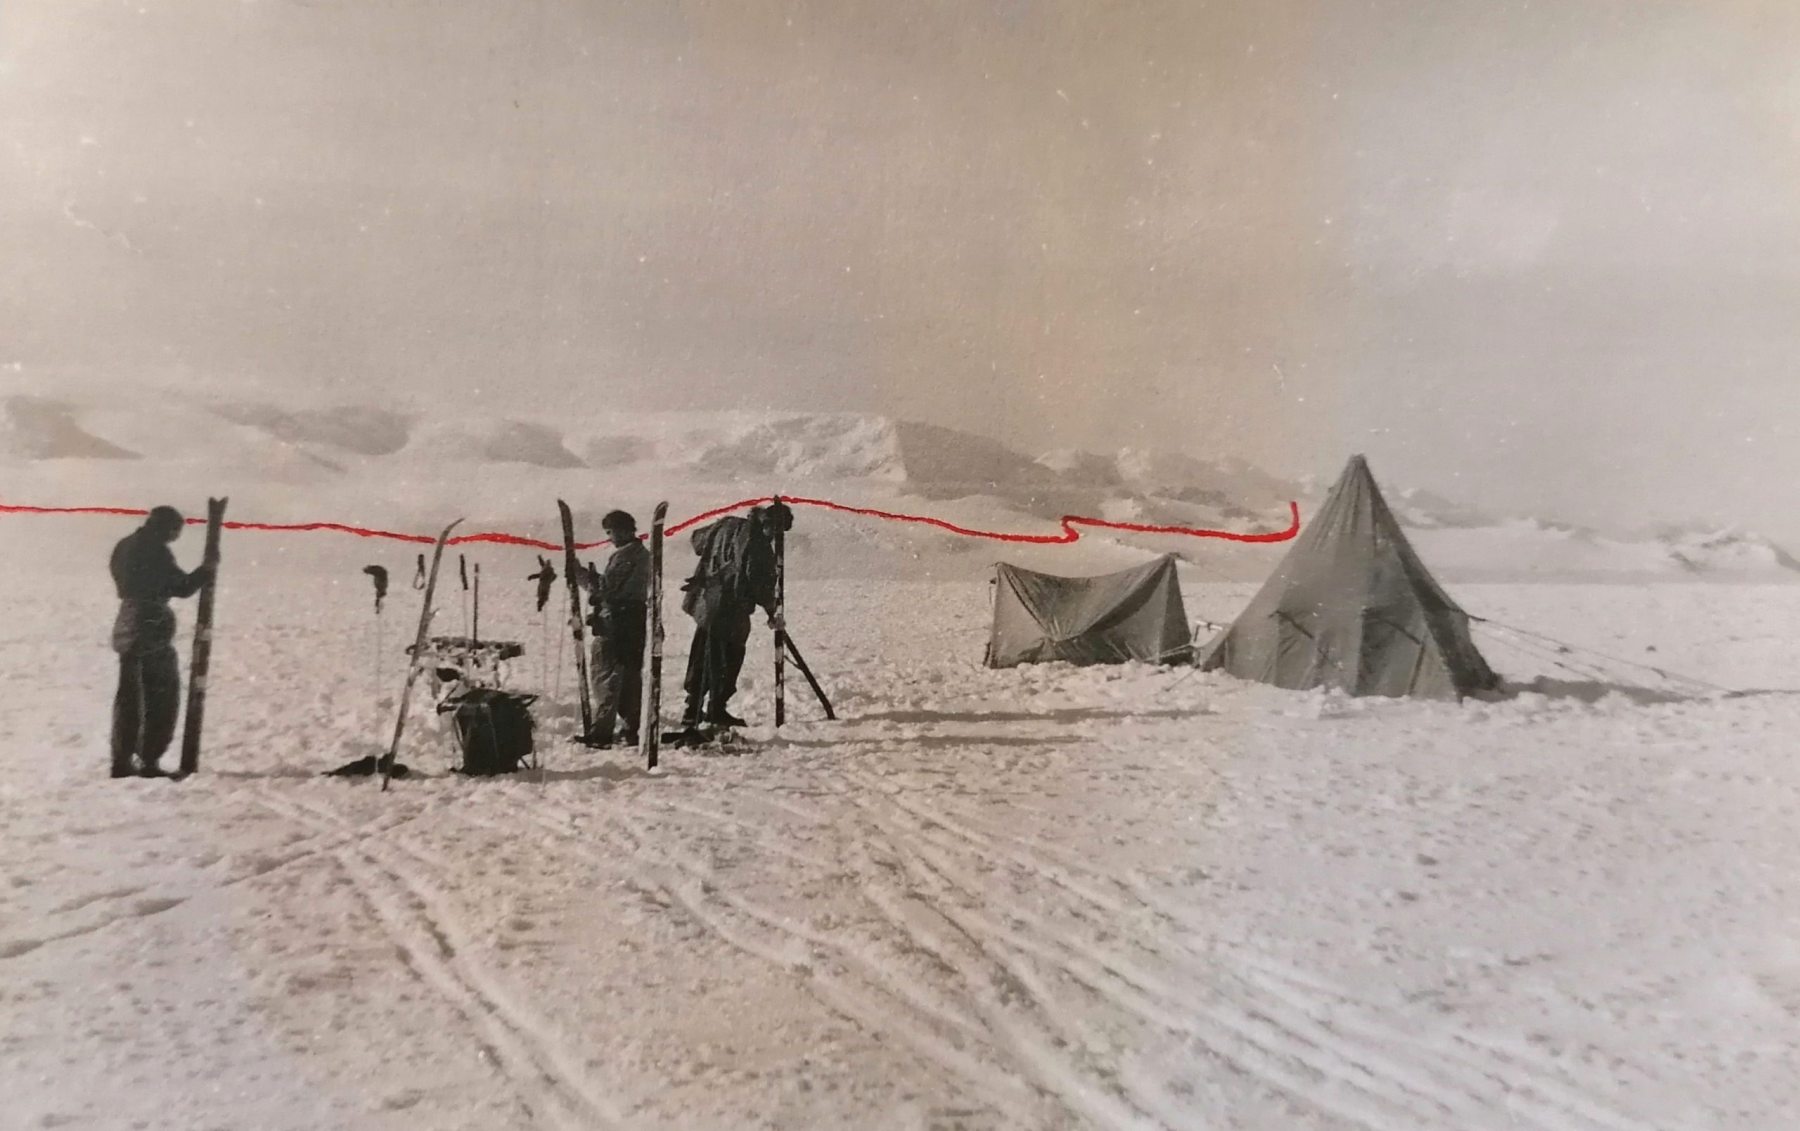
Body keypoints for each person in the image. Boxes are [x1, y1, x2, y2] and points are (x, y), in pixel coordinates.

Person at [109, 506, 211, 778]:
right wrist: (205, 571)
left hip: (126, 623)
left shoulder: (125, 545)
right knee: (160, 697)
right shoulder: (155, 550)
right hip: (149, 626)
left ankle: (122, 760)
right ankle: (149, 759)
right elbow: (181, 586)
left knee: (129, 697)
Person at [677, 501, 791, 733]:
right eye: (776, 530)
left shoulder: (727, 524)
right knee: (727, 660)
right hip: (731, 610)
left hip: (706, 604)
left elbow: (697, 540)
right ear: (770, 524)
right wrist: (772, 612)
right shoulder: (759, 545)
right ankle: (716, 709)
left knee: (702, 656)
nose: (774, 536)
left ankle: (692, 709)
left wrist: (717, 556)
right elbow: (759, 583)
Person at [583, 510, 650, 747]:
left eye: (610, 532)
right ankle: (631, 730)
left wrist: (583, 577)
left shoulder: (626, 556)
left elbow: (607, 590)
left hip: (616, 623)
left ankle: (601, 733)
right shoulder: (641, 554)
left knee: (606, 677)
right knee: (629, 677)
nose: (609, 538)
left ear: (621, 531)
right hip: (633, 622)